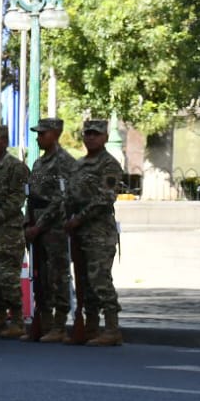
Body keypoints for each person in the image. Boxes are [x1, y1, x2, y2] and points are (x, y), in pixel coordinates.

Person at [66, 119, 125, 346]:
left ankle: (112, 328)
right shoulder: (78, 165)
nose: (90, 137)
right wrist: (67, 217)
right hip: (78, 231)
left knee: (100, 280)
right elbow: (69, 196)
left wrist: (79, 218)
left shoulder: (109, 165)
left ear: (105, 138)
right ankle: (90, 326)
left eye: (96, 134)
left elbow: (105, 198)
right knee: (83, 282)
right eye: (87, 134)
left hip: (99, 231)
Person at [25, 118, 77, 342]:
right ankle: (43, 320)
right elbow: (31, 196)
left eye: (43, 133)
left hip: (54, 227)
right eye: (38, 134)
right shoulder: (38, 163)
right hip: (36, 225)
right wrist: (28, 223)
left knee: (58, 274)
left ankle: (59, 323)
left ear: (55, 134)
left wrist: (40, 224)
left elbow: (61, 199)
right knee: (40, 275)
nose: (39, 137)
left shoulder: (64, 161)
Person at [0, 125, 31, 338]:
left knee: (7, 276)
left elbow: (16, 199)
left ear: (4, 141)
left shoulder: (15, 167)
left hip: (7, 230)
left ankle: (17, 319)